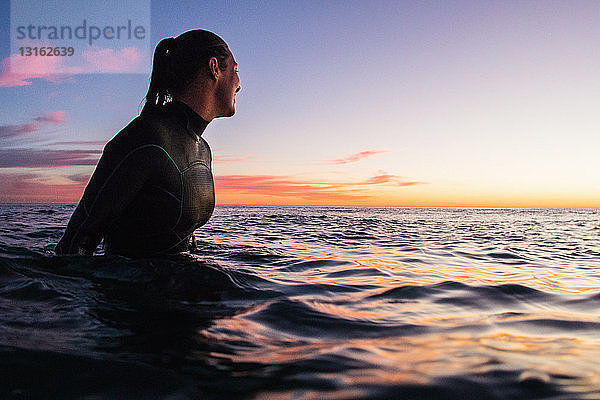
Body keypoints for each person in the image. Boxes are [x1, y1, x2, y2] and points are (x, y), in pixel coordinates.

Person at [55, 29, 241, 257]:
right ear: (214, 68)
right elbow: (75, 245)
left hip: (176, 287)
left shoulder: (202, 149)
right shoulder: (147, 139)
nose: (239, 84)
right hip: (131, 289)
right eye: (235, 70)